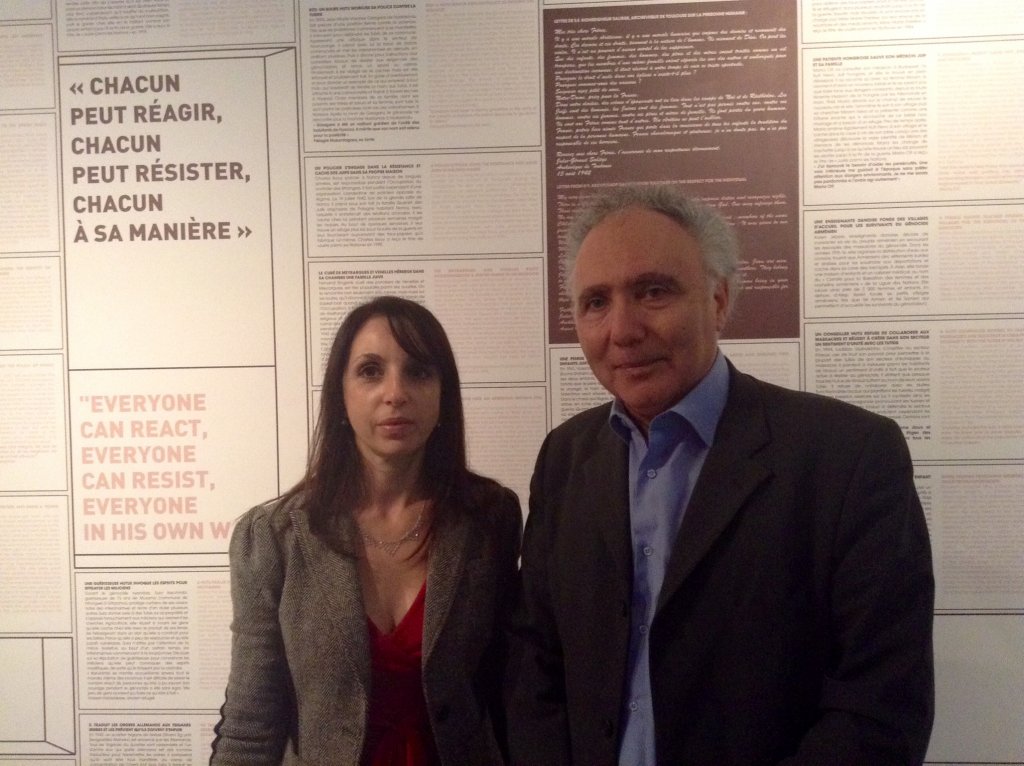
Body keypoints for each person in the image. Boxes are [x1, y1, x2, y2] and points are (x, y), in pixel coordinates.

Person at [506, 185, 935, 765]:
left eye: (653, 291)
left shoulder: (848, 457)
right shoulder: (565, 457)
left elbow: (879, 705)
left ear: (718, 299)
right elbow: (536, 662)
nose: (623, 330)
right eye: (595, 302)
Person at [211, 296, 522, 765]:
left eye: (418, 371)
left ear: (443, 395)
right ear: (341, 395)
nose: (395, 392)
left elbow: (509, 692)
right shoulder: (274, 536)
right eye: (371, 371)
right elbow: (252, 722)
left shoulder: (489, 519)